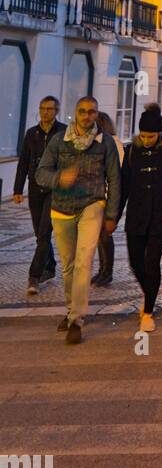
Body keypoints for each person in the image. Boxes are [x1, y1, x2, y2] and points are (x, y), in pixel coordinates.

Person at [35, 95, 122, 345]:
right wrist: (59, 178)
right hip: (61, 209)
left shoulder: (104, 143)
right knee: (68, 265)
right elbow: (41, 173)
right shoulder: (58, 141)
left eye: (92, 112)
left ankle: (76, 320)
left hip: (92, 206)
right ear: (75, 113)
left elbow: (115, 179)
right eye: (83, 112)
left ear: (97, 114)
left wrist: (111, 214)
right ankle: (71, 309)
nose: (87, 116)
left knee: (84, 262)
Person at [121, 106, 162, 333]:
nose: (147, 140)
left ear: (159, 133)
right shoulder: (131, 151)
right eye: (143, 135)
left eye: (151, 136)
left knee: (152, 262)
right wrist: (114, 214)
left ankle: (148, 311)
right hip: (137, 214)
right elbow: (123, 186)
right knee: (135, 262)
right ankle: (149, 292)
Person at [13, 95, 65, 296]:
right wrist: (18, 189)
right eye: (43, 108)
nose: (45, 112)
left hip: (54, 189)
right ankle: (50, 266)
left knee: (44, 233)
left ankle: (34, 277)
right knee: (39, 234)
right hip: (35, 189)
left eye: (50, 109)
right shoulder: (31, 133)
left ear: (56, 111)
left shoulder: (63, 132)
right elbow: (23, 162)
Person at [92, 112, 125, 287]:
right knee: (100, 235)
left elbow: (116, 172)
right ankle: (102, 270)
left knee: (105, 234)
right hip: (100, 195)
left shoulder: (113, 143)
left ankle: (108, 272)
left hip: (110, 196)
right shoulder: (99, 142)